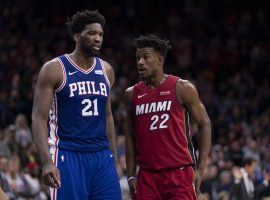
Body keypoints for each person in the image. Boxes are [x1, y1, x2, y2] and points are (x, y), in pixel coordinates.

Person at [32, 10, 121, 200]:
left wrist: (113, 157)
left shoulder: (106, 70)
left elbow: (107, 117)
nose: (98, 38)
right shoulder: (54, 69)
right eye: (91, 33)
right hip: (67, 154)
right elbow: (39, 118)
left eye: (101, 34)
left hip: (101, 155)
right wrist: (47, 161)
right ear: (76, 36)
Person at [124, 34, 211, 200]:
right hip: (147, 177)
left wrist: (201, 168)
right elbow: (129, 134)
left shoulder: (182, 88)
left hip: (179, 174)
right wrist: (130, 175)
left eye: (145, 57)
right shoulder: (131, 94)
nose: (140, 62)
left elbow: (204, 122)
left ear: (160, 60)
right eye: (138, 58)